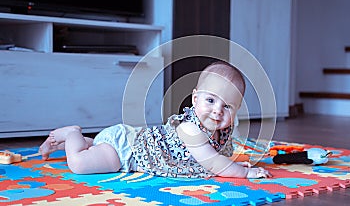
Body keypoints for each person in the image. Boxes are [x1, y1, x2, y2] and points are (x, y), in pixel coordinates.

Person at [39, 61, 272, 179]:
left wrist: (233, 165)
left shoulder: (223, 131)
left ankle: (88, 143)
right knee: (80, 165)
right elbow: (212, 163)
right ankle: (72, 135)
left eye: (227, 106)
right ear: (195, 98)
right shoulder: (190, 128)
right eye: (211, 101)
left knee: (97, 149)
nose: (217, 111)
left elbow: (219, 158)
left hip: (130, 139)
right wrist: (243, 173)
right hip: (126, 151)